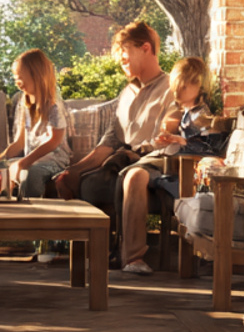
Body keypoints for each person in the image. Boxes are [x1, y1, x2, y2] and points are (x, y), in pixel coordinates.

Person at [51, 20, 173, 263]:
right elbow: (110, 141)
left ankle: (133, 257)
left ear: (145, 48)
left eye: (124, 53)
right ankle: (92, 255)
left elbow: (171, 139)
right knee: (82, 181)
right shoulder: (126, 93)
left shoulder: (171, 88)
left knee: (131, 176)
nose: (120, 61)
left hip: (156, 164)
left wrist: (140, 154)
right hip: (123, 160)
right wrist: (74, 170)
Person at [116, 55, 226, 275]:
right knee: (130, 173)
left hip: (184, 171)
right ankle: (127, 254)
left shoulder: (204, 116)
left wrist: (180, 140)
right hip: (170, 162)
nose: (177, 92)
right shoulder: (184, 112)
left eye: (184, 86)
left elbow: (210, 150)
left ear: (200, 86)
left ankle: (131, 256)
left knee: (133, 175)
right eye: (175, 86)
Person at [0, 48, 73, 198]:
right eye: (15, 78)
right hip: (31, 161)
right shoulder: (24, 103)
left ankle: (31, 214)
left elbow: (54, 142)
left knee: (30, 175)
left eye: (21, 77)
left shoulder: (53, 106)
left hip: (54, 161)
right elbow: (20, 142)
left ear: (36, 76)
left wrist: (24, 162)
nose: (17, 82)